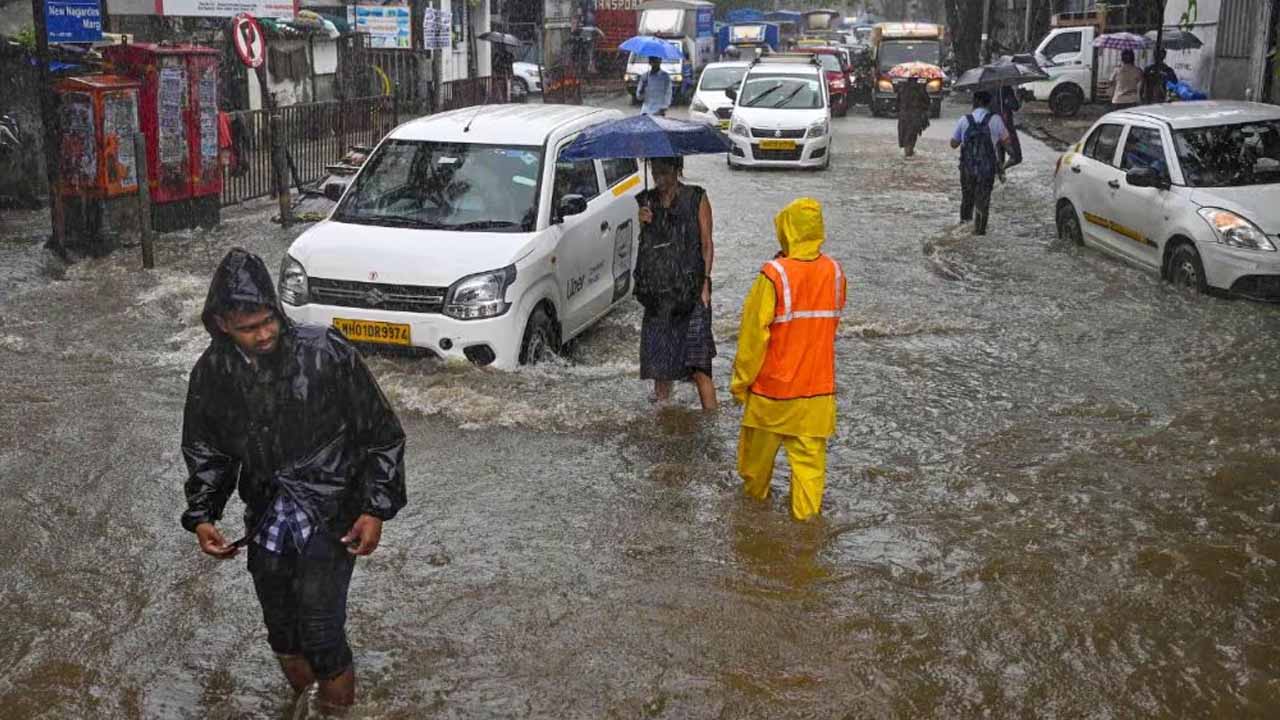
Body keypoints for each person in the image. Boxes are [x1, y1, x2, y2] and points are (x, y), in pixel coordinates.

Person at [180, 248, 407, 710]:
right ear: (222, 323)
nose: (263, 334)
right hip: (266, 517)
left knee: (322, 634)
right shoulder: (213, 371)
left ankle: (337, 711)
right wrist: (203, 514)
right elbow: (208, 448)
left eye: (269, 321)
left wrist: (374, 509)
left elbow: (381, 434)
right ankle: (307, 706)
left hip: (329, 511)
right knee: (282, 632)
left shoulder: (325, 351)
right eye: (249, 328)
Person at [731, 198, 847, 521]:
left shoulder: (773, 274)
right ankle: (806, 544)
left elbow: (752, 338)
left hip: (772, 397)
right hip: (817, 397)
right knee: (810, 484)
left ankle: (754, 538)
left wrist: (740, 384)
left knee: (754, 480)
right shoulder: (836, 273)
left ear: (786, 228)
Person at [635, 156, 717, 410]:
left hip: (691, 291)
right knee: (661, 368)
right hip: (659, 294)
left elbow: (706, 242)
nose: (659, 178)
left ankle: (711, 423)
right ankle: (664, 420)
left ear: (677, 170)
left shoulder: (696, 197)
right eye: (655, 171)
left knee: (699, 364)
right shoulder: (647, 201)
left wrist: (704, 283)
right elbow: (647, 248)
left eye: (665, 171)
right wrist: (644, 223)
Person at [950, 90, 1010, 236]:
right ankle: (979, 232)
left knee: (967, 199)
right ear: (989, 103)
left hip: (967, 168)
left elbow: (953, 144)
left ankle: (963, 229)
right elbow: (1007, 142)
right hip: (987, 169)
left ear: (975, 102)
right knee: (983, 200)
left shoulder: (965, 119)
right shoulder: (996, 119)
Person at [896, 77, 931, 158]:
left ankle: (907, 154)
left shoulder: (902, 88)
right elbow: (927, 102)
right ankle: (909, 154)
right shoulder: (920, 88)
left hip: (903, 116)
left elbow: (897, 103)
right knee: (911, 138)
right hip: (915, 117)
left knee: (905, 137)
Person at [996, 84, 1023, 178]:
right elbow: (1015, 106)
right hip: (1006, 128)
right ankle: (1000, 171)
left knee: (1000, 158)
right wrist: (1019, 97)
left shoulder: (985, 89)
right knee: (1016, 157)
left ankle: (997, 181)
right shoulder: (1005, 87)